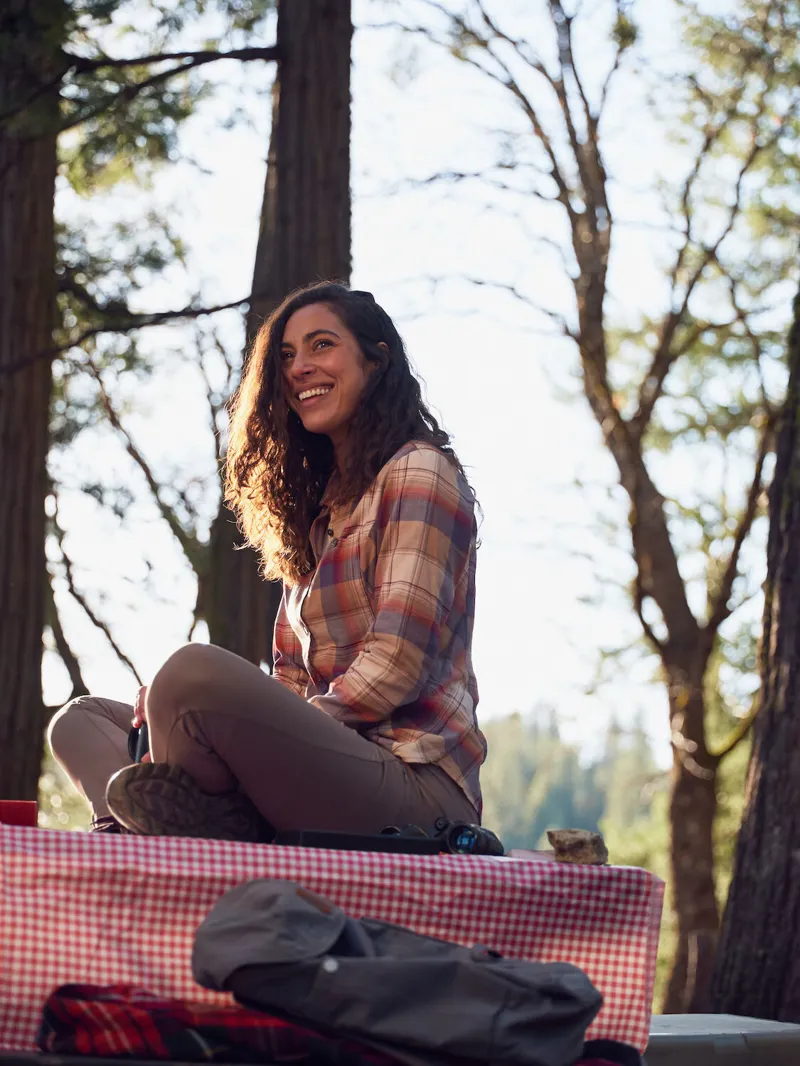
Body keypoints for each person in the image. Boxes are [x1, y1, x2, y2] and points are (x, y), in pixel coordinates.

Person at [47, 282, 487, 841]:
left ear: (376, 362)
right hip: (318, 763)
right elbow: (292, 679)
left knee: (188, 675)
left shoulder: (418, 471)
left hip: (410, 782)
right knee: (81, 722)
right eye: (285, 356)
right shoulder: (321, 512)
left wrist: (267, 739)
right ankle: (161, 831)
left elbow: (397, 663)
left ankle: (173, 828)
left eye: (321, 345)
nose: (299, 367)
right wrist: (247, 727)